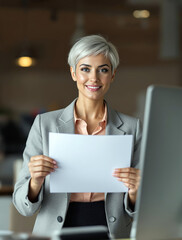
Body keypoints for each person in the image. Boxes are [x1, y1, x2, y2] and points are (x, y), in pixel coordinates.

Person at [13, 35, 141, 239]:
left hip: (111, 230)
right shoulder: (44, 124)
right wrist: (35, 182)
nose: (94, 78)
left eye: (103, 70)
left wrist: (135, 192)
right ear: (73, 72)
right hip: (56, 231)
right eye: (85, 69)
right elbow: (22, 206)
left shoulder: (133, 127)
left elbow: (141, 209)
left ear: (113, 75)